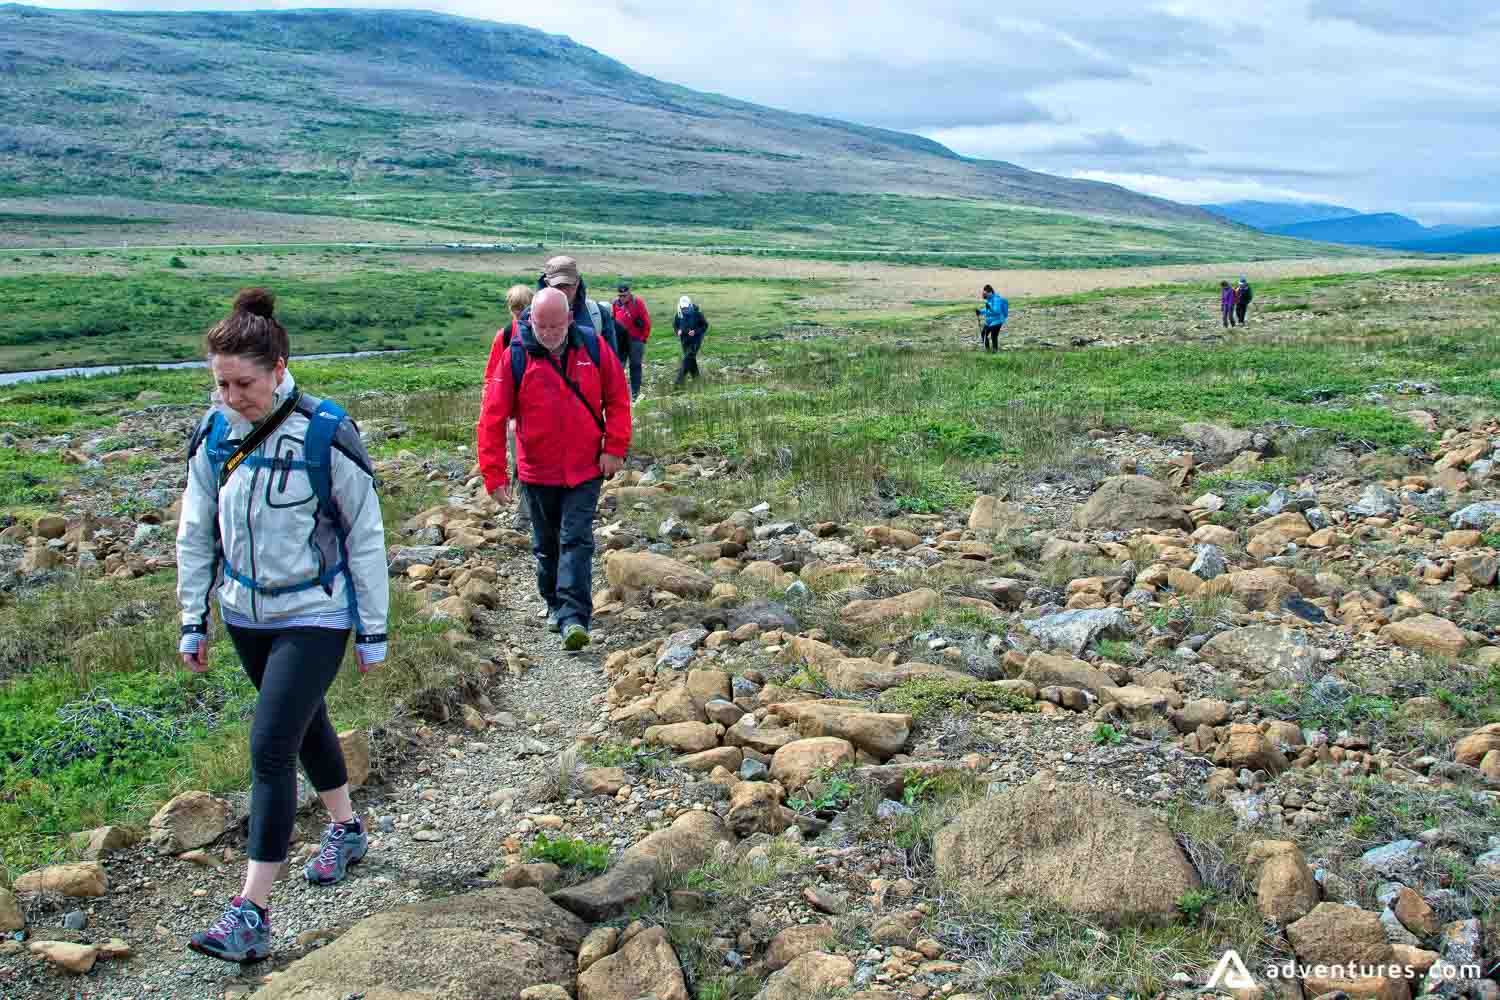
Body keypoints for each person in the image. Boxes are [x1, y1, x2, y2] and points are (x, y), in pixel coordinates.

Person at [176, 288, 389, 963]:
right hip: (244, 613)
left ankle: (252, 913)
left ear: (278, 369)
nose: (230, 397)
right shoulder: (213, 436)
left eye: (243, 384)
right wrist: (193, 617)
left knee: (270, 746)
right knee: (306, 723)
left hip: (316, 613)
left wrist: (372, 630)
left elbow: (365, 536)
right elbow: (195, 532)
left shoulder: (325, 432)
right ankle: (347, 829)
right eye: (220, 384)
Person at [476, 287, 631, 651]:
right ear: (530, 320)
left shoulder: (593, 347)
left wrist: (614, 448)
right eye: (541, 326)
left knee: (576, 540)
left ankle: (574, 617)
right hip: (536, 471)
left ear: (569, 319)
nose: (548, 333)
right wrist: (494, 474)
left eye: (555, 326)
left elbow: (618, 399)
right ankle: (552, 601)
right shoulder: (515, 357)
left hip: (585, 468)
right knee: (546, 546)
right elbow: (492, 418)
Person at [484, 284, 537, 532]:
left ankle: (537, 513)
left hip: (538, 411)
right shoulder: (504, 336)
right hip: (515, 415)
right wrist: (492, 404)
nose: (518, 312)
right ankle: (525, 514)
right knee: (521, 464)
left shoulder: (543, 330)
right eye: (515, 308)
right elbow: (491, 375)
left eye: (522, 307)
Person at [536, 255, 622, 361]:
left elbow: (612, 363)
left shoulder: (598, 314)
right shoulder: (530, 316)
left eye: (568, 285)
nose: (564, 292)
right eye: (558, 286)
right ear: (547, 283)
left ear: (577, 282)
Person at [613, 282, 651, 401]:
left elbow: (646, 321)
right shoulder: (615, 304)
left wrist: (643, 338)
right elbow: (612, 321)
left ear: (629, 293)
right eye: (620, 296)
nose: (622, 298)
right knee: (618, 367)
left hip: (636, 340)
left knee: (635, 365)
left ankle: (635, 393)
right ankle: (617, 393)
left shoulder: (637, 303)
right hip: (621, 341)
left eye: (624, 295)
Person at [672, 295, 709, 386]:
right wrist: (678, 331)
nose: (684, 309)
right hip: (684, 340)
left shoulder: (697, 314)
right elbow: (675, 325)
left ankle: (678, 381)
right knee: (691, 360)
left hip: (695, 340)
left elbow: (705, 325)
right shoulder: (678, 314)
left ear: (690, 304)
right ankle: (697, 380)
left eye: (686, 307)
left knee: (688, 358)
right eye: (683, 308)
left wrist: (695, 331)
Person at [976, 284, 1009, 352]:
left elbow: (997, 311)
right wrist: (980, 312)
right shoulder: (989, 299)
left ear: (990, 292)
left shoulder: (996, 299)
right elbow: (988, 309)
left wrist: (989, 309)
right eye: (984, 293)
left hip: (997, 321)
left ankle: (994, 350)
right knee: (984, 334)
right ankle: (988, 350)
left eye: (985, 293)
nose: (984, 295)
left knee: (993, 336)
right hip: (989, 321)